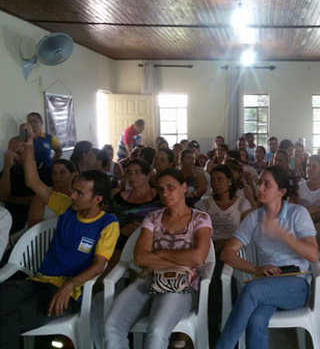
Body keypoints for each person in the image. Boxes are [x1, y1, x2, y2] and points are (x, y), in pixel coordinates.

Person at [0, 124, 119, 349]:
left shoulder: (108, 223)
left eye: (79, 193)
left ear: (97, 199)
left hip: (68, 293)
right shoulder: (66, 206)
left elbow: (98, 266)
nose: (72, 195)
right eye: (73, 190)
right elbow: (33, 182)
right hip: (38, 281)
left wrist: (69, 285)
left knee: (9, 323)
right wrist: (29, 148)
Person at [104, 168, 212, 349]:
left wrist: (160, 253)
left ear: (184, 187)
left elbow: (198, 256)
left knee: (158, 330)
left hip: (181, 285)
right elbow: (139, 257)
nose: (165, 193)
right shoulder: (153, 218)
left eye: (171, 187)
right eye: (161, 189)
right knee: (112, 326)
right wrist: (180, 261)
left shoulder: (200, 218)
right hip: (148, 280)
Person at [215, 166, 318, 349]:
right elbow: (227, 253)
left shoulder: (297, 213)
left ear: (282, 192)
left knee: (251, 289)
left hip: (297, 285)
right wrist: (255, 269)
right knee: (256, 319)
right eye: (259, 183)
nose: (259, 188)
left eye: (266, 184)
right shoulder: (255, 218)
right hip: (267, 283)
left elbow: (313, 253)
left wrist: (283, 235)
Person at [107, 159, 161, 272]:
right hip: (122, 239)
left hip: (152, 240)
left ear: (147, 175)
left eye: (137, 172)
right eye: (129, 173)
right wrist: (121, 229)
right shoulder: (120, 198)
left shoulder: (159, 197)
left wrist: (142, 229)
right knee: (110, 263)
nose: (132, 176)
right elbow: (109, 219)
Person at [0, 136, 50, 234]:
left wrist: (12, 199)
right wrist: (6, 169)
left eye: (19, 153)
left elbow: (42, 197)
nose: (16, 158)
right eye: (11, 154)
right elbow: (2, 196)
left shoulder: (44, 170)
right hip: (10, 218)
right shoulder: (11, 170)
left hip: (33, 219)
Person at [27, 159, 77, 228]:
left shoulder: (77, 196)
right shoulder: (43, 194)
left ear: (73, 175)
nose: (57, 176)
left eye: (62, 172)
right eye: (54, 173)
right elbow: (33, 222)